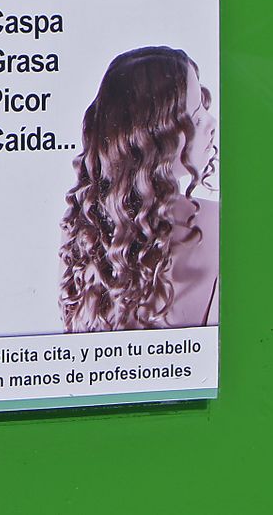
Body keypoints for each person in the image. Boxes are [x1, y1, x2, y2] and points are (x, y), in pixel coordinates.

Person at [58, 45, 219, 332]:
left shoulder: (80, 233)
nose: (212, 122)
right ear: (152, 140)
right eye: (195, 117)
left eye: (205, 108)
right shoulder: (219, 225)